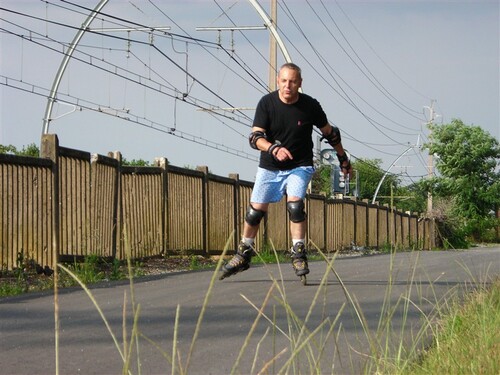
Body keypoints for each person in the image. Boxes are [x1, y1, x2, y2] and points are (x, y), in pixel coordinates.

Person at [220, 63, 352, 280]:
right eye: (284, 81)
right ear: (277, 81)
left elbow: (331, 133)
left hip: (300, 165)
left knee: (295, 206)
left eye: (292, 81)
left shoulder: (310, 106)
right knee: (254, 212)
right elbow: (255, 138)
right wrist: (273, 148)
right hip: (270, 166)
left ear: (300, 83)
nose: (287, 86)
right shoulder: (267, 103)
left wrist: (343, 159)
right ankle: (244, 253)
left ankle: (298, 252)